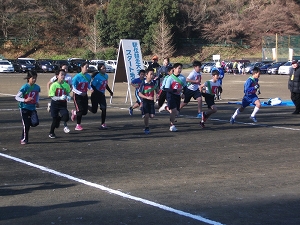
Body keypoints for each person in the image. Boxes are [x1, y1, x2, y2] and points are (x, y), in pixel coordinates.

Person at [15, 71, 41, 144]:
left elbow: (37, 95)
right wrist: (24, 100)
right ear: (29, 78)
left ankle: (27, 123)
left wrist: (37, 102)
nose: (34, 80)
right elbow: (17, 97)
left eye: (35, 78)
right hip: (24, 108)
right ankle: (24, 139)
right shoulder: (25, 87)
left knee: (35, 122)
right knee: (26, 125)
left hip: (32, 108)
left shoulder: (37, 87)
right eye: (33, 78)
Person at [89, 63, 113, 129]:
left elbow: (105, 85)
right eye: (103, 68)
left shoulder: (106, 76)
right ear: (99, 69)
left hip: (102, 95)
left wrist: (110, 91)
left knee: (104, 108)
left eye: (105, 68)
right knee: (94, 111)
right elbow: (92, 86)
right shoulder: (97, 77)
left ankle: (103, 123)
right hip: (95, 95)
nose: (105, 69)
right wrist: (98, 92)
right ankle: (86, 106)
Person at [48, 69, 71, 138]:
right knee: (54, 120)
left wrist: (68, 97)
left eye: (64, 75)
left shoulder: (66, 85)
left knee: (66, 117)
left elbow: (67, 93)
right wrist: (59, 98)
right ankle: (51, 132)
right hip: (55, 104)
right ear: (57, 76)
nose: (63, 76)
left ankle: (59, 119)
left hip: (62, 104)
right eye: (61, 75)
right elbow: (52, 96)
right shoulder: (54, 85)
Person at [164, 63, 187, 132]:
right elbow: (167, 89)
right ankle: (172, 125)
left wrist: (183, 93)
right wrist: (175, 90)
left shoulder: (182, 78)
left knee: (176, 113)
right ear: (174, 69)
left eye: (181, 68)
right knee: (173, 111)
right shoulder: (170, 78)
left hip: (177, 96)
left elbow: (185, 87)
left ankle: (165, 107)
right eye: (179, 68)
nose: (180, 70)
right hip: (170, 96)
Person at [71, 61, 93, 130]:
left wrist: (90, 88)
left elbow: (87, 84)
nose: (87, 68)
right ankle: (78, 125)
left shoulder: (88, 76)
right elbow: (72, 87)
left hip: (84, 95)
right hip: (77, 95)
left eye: (88, 67)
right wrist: (79, 93)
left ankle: (74, 112)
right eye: (86, 67)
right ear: (82, 67)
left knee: (85, 112)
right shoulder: (77, 77)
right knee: (80, 111)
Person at [138, 68, 158, 134]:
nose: (152, 75)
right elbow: (139, 93)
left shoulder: (154, 83)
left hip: (151, 101)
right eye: (151, 74)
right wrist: (146, 97)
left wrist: (158, 94)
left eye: (153, 74)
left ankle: (143, 111)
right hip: (145, 101)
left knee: (152, 116)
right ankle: (147, 127)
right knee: (146, 115)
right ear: (146, 75)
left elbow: (157, 90)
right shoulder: (143, 84)